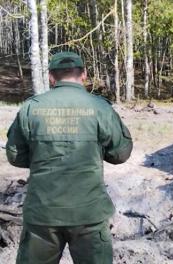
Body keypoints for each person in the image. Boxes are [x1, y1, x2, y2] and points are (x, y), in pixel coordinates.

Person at [6, 51, 133, 264]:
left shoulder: (31, 108)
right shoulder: (100, 107)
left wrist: (41, 157)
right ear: (83, 75)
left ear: (51, 77)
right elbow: (121, 153)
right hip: (88, 214)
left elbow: (15, 155)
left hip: (42, 214)